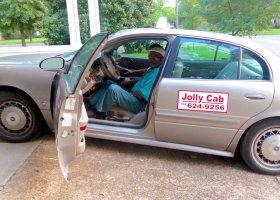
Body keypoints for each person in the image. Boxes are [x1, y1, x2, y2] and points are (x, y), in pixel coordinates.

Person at [88, 46, 165, 119]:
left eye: (156, 56)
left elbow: (141, 95)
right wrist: (133, 77)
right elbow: (145, 74)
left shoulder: (156, 73)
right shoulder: (153, 68)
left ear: (162, 59)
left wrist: (127, 94)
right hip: (134, 96)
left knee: (113, 89)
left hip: (138, 104)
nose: (151, 58)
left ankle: (98, 112)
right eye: (151, 56)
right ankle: (89, 103)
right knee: (109, 83)